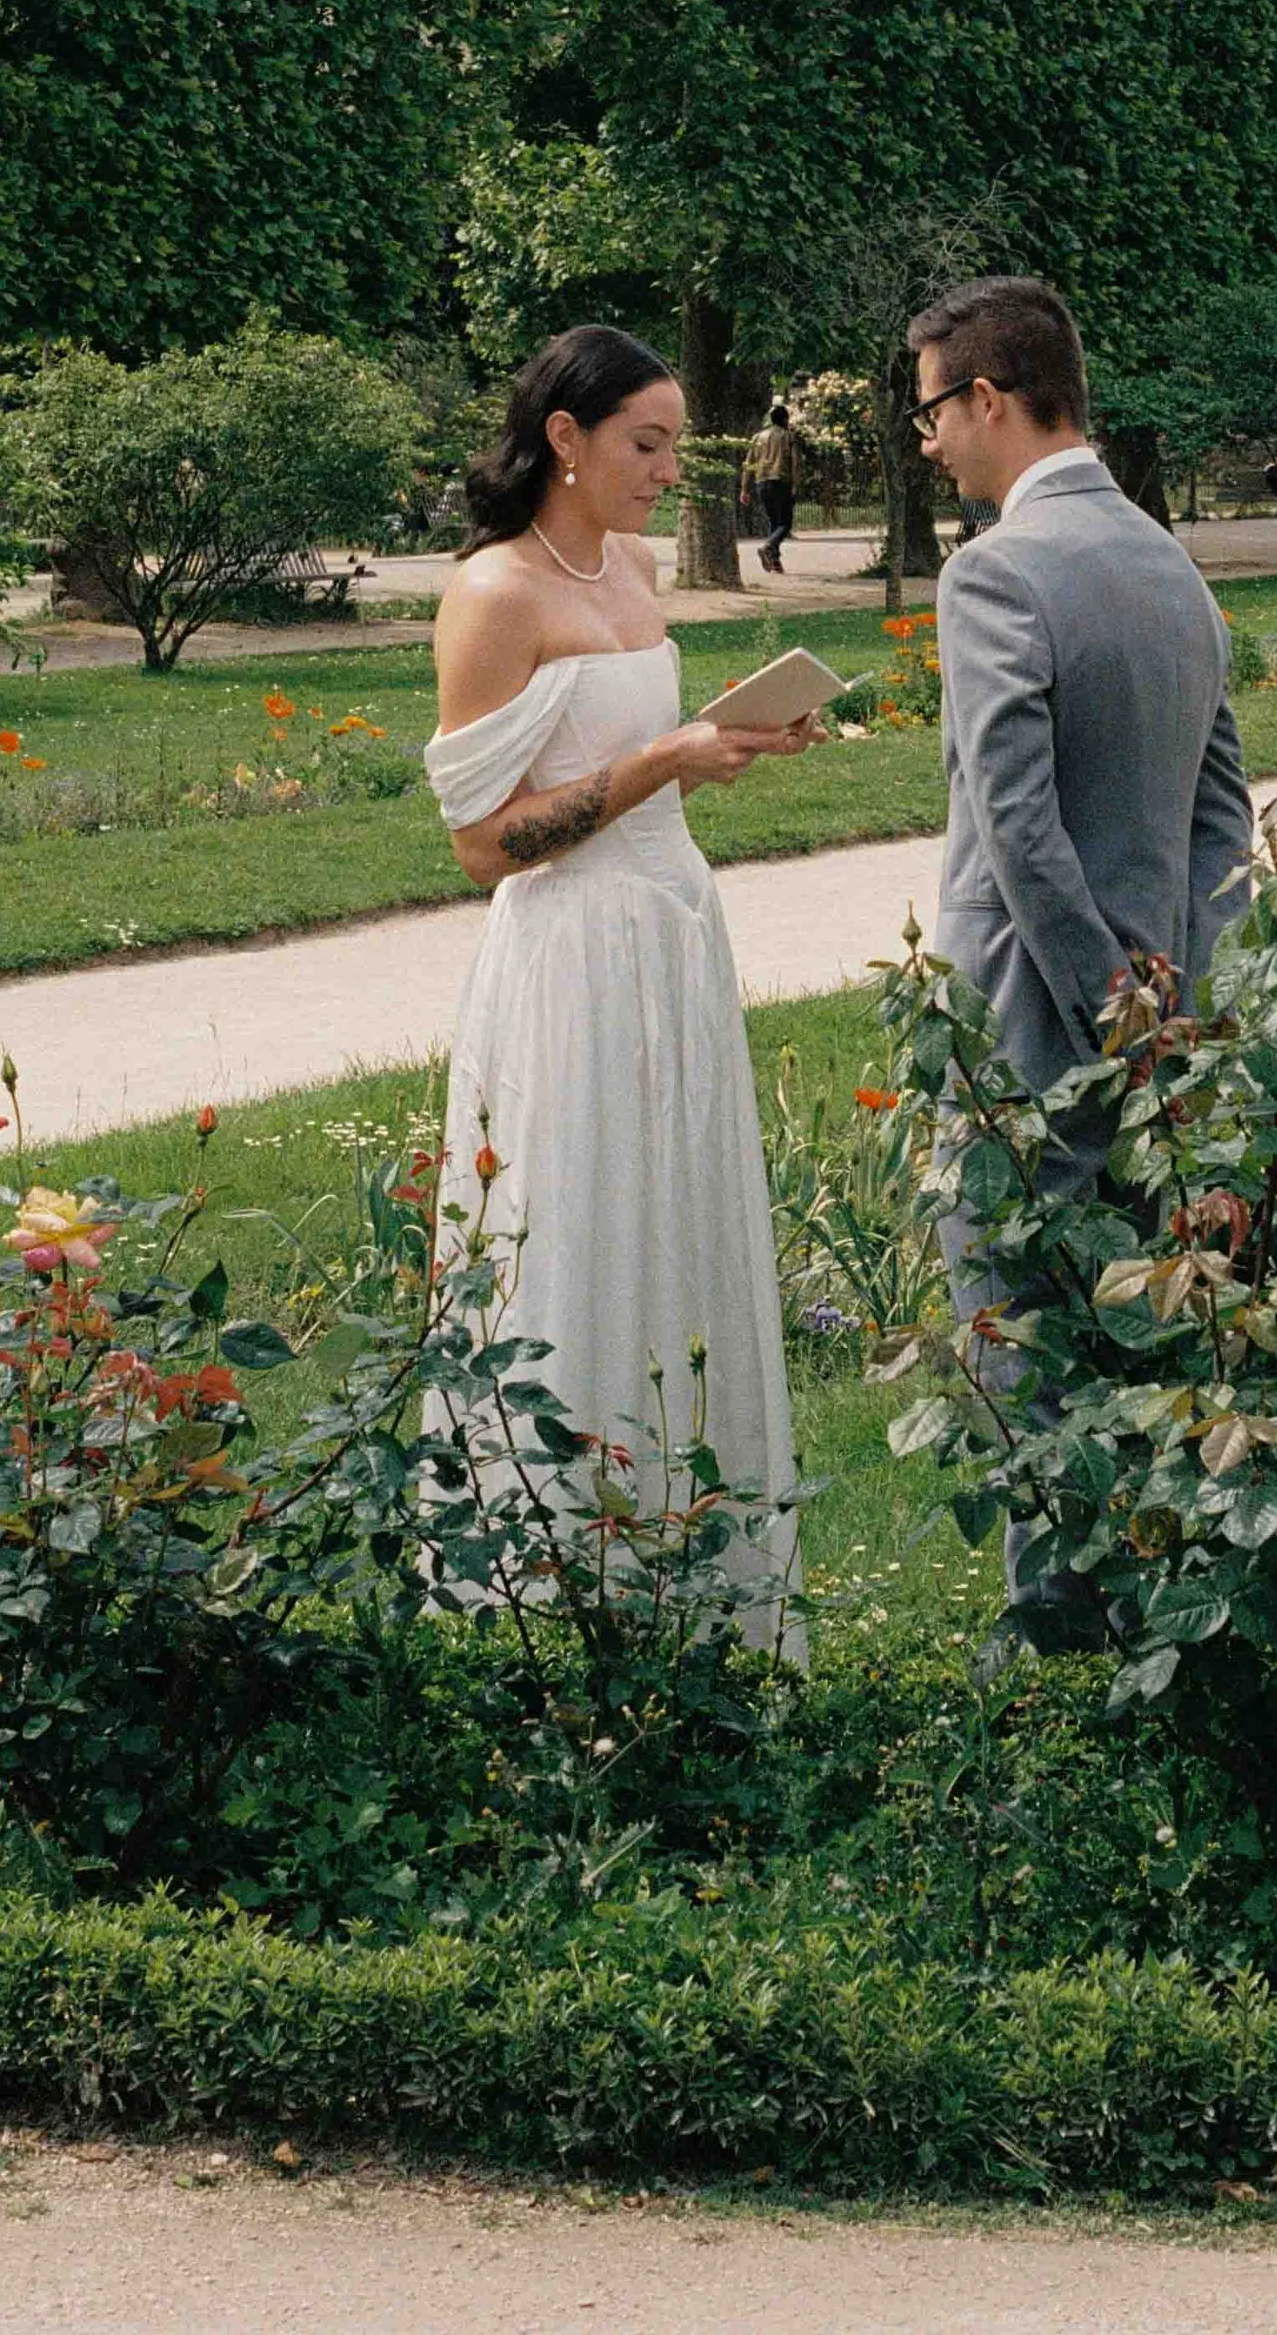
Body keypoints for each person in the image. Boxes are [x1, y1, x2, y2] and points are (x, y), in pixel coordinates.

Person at [425, 326, 814, 1646]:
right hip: (570, 957)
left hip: (670, 933)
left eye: (677, 444)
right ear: (565, 439)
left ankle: (690, 1587)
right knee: (574, 1232)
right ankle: (550, 1595)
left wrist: (733, 741)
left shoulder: (635, 566)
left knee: (676, 1219)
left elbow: (649, 750)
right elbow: (484, 846)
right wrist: (663, 764)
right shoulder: (494, 595)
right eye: (646, 444)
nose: (670, 471)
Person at [908, 274, 1254, 1636]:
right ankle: (1155, 1624)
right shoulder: (1174, 564)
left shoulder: (994, 572)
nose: (925, 437)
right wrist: (1184, 999)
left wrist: (1111, 1002)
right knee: (1134, 1329)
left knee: (1019, 1339)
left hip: (1026, 1029)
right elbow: (1223, 815)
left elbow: (1014, 827)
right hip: (1166, 1029)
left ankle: (1062, 1654)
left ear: (989, 397)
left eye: (931, 406)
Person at [740, 398, 800, 574]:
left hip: (761, 482)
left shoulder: (757, 437)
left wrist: (744, 488)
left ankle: (775, 561)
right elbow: (795, 464)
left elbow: (748, 464)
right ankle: (768, 547)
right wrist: (796, 485)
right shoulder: (789, 437)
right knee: (785, 524)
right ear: (785, 419)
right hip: (781, 481)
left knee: (775, 522)